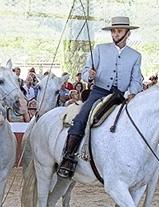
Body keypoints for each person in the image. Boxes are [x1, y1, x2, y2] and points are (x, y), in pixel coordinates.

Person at [57, 16, 143, 178]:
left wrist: (132, 92)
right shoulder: (99, 50)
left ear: (127, 33)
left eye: (119, 31)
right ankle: (68, 157)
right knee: (81, 118)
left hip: (122, 96)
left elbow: (137, 79)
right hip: (99, 92)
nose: (116, 34)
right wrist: (89, 75)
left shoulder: (135, 56)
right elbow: (84, 73)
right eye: (114, 31)